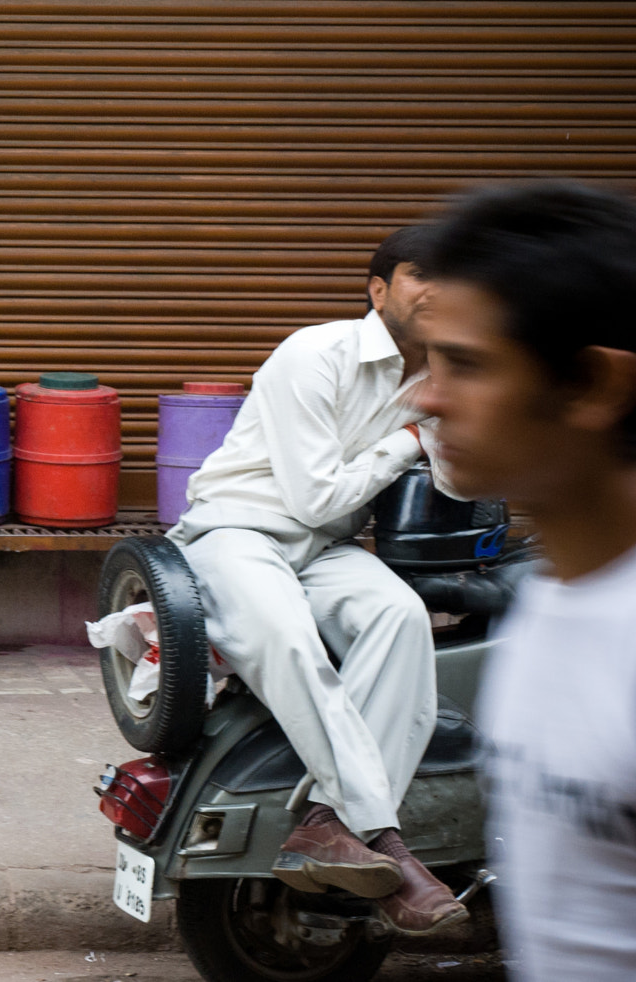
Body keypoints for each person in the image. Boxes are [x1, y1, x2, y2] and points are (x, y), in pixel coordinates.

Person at [168, 227, 464, 933]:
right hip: (238, 531)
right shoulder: (316, 352)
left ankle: (329, 822)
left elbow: (453, 480)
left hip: (325, 550)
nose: (438, 290)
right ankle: (387, 842)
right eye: (422, 274)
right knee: (287, 640)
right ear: (379, 290)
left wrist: (457, 404)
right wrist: (411, 438)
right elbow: (315, 498)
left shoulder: (441, 377)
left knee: (400, 618)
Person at [415, 181, 636, 981]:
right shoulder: (548, 600)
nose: (429, 399)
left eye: (468, 366)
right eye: (432, 362)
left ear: (592, 386)